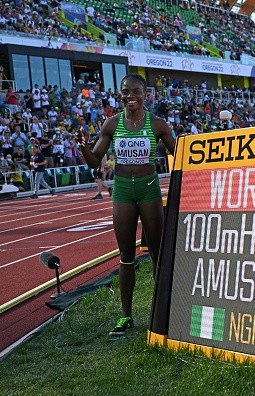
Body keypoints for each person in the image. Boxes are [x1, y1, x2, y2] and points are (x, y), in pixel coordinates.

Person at [77, 74, 175, 336]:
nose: (130, 96)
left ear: (145, 94)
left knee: (157, 252)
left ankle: (161, 311)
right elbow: (93, 159)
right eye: (125, 91)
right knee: (126, 257)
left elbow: (180, 152)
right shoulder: (111, 124)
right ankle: (126, 316)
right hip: (122, 190)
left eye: (135, 91)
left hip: (149, 189)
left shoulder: (158, 124)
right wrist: (82, 145)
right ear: (119, 94)